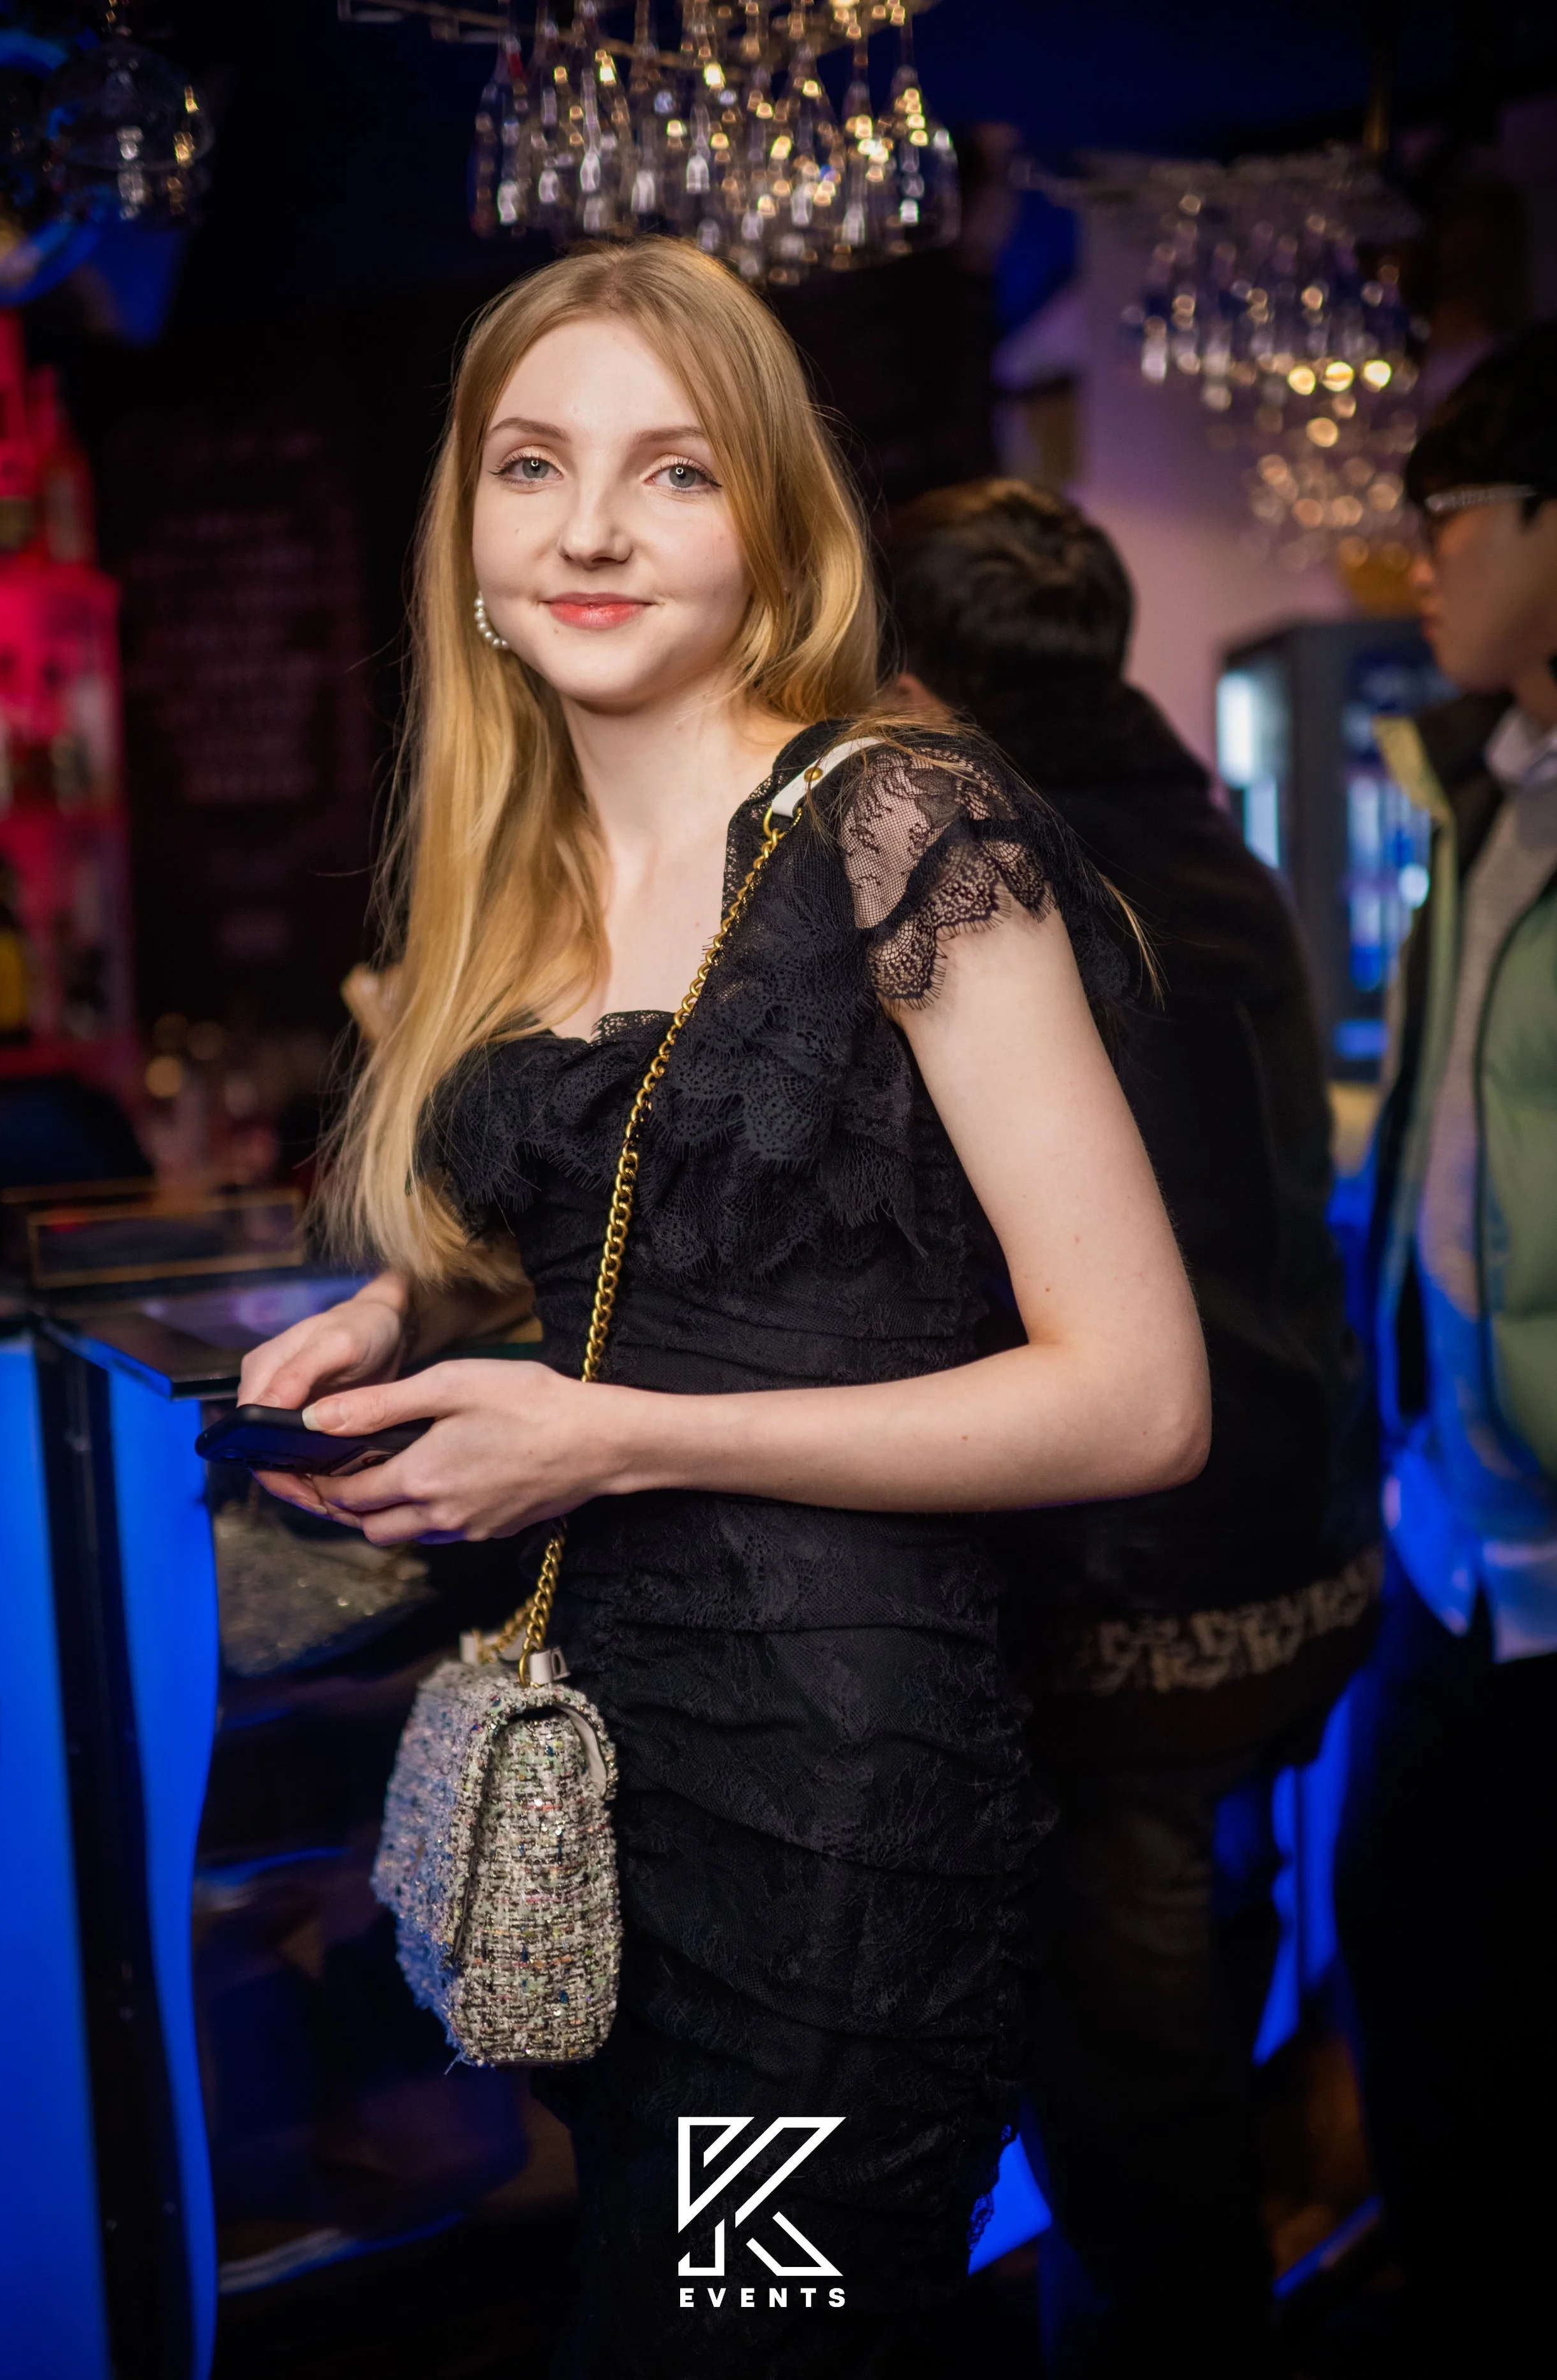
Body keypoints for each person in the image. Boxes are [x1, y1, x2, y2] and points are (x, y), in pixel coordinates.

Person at [235, 242, 1208, 2379]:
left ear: (771, 522)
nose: (589, 526)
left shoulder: (896, 823)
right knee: (675, 2318)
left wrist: (609, 1436)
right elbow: (655, 1218)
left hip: (830, 1824)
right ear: (466, 535)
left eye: (671, 470)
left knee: (744, 2345)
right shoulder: (523, 877)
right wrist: (400, 1311)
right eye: (532, 466)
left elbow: (1138, 1396)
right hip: (606, 1804)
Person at [886, 480, 1377, 2380]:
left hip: (1131, 1587)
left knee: (1137, 2129)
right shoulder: (1201, 836)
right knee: (1189, 2041)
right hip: (1281, 1539)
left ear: (919, 679)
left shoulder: (1001, 876)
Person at [1335, 321, 1557, 2375]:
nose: (1419, 564)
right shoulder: (1484, 799)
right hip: (1448, 1534)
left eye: (1452, 519)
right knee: (1414, 1973)